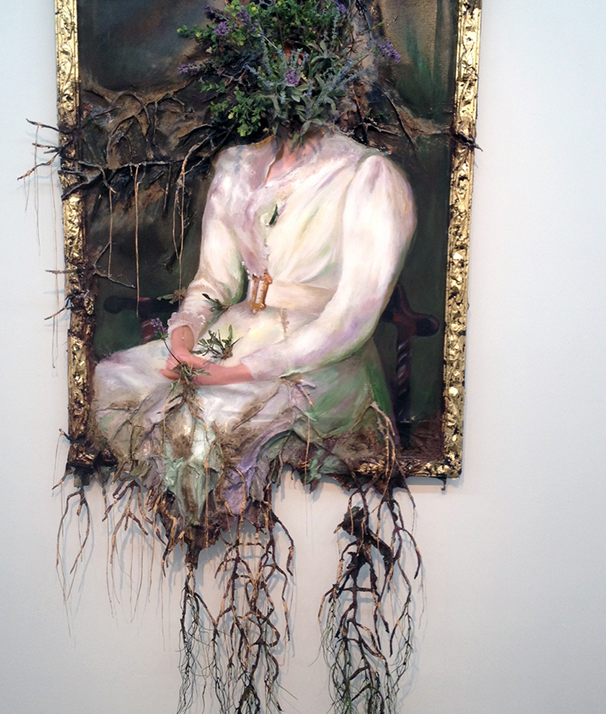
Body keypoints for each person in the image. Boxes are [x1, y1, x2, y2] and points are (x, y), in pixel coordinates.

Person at [92, 125, 416, 554]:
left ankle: (221, 556)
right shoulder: (236, 166)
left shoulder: (367, 174)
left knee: (202, 425)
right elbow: (214, 283)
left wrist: (234, 373)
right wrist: (183, 341)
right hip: (236, 332)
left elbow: (350, 322)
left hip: (319, 359)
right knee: (113, 378)